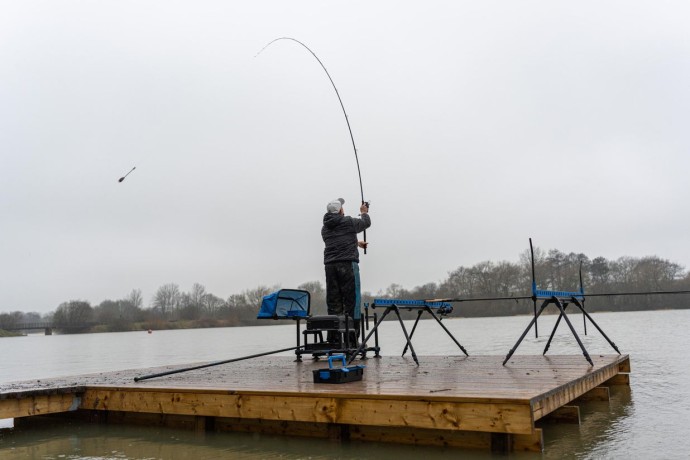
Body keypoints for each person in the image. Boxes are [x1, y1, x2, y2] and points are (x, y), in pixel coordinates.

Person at [321, 198, 370, 342]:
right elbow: (366, 223)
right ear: (340, 210)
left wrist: (356, 243)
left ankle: (334, 341)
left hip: (330, 267)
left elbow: (338, 240)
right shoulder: (348, 222)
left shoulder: (325, 228)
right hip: (348, 265)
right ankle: (352, 341)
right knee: (352, 302)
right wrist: (364, 212)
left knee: (334, 303)